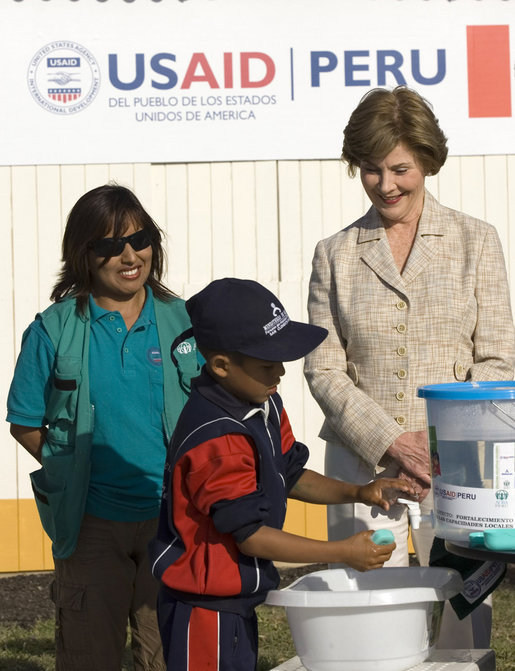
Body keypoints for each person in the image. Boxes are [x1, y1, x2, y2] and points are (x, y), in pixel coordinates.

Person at [304, 86, 515, 647]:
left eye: (400, 168)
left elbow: (499, 357)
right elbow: (323, 369)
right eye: (371, 170)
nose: (386, 184)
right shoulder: (334, 253)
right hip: (362, 469)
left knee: (466, 622)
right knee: (372, 622)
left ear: (427, 160)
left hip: (462, 471)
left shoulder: (477, 241)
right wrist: (393, 440)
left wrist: (441, 441)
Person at [149, 277, 414, 671]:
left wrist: (359, 492)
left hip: (234, 604)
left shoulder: (262, 401)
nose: (281, 374)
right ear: (221, 365)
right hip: (202, 610)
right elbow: (252, 537)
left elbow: (290, 474)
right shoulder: (216, 438)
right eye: (267, 364)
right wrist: (342, 552)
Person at [6, 184, 200, 671]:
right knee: (90, 656)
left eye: (140, 238)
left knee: (168, 656)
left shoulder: (186, 321)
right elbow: (25, 421)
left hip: (173, 523)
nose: (129, 255)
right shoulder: (52, 329)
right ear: (84, 255)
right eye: (110, 245)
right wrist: (72, 471)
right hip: (90, 524)